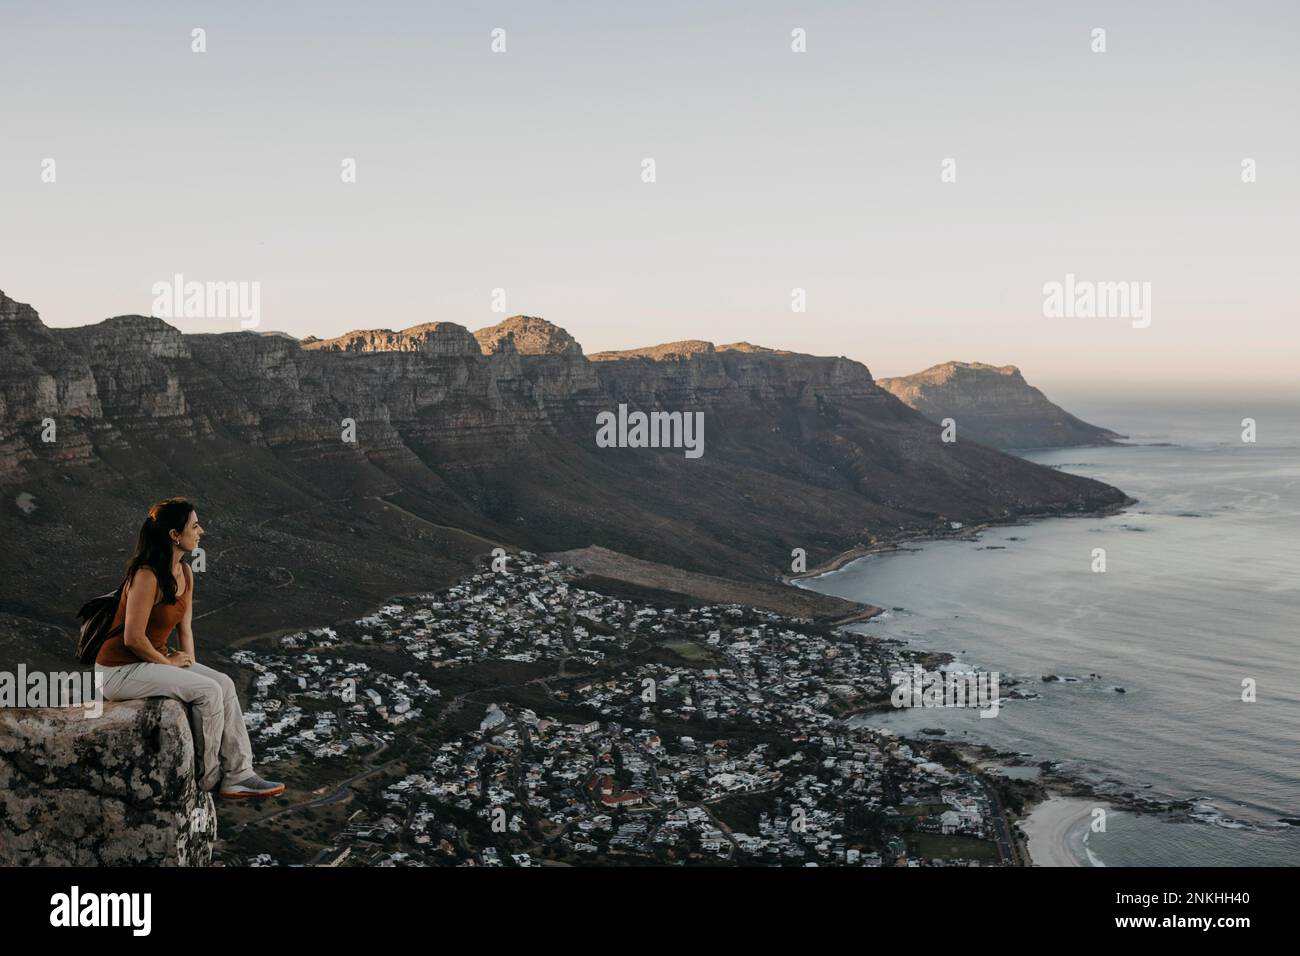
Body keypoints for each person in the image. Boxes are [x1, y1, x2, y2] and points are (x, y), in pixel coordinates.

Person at [94, 497, 285, 800]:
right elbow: (132, 638)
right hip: (118, 671)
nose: (201, 531)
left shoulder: (185, 572)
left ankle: (240, 773)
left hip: (152, 662)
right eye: (194, 526)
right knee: (208, 692)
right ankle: (208, 778)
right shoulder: (146, 576)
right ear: (174, 535)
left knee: (222, 684)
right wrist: (170, 667)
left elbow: (185, 629)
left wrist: (190, 672)